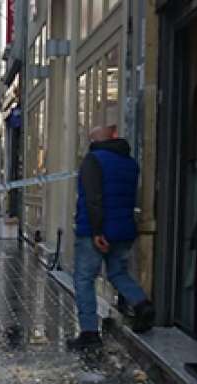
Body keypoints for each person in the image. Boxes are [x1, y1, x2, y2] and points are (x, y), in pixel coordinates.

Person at [68, 125, 155, 349]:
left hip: (95, 232)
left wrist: (97, 231)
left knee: (84, 278)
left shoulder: (93, 160)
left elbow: (93, 198)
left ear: (95, 141)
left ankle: (89, 332)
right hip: (124, 229)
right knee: (117, 272)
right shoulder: (130, 163)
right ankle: (142, 304)